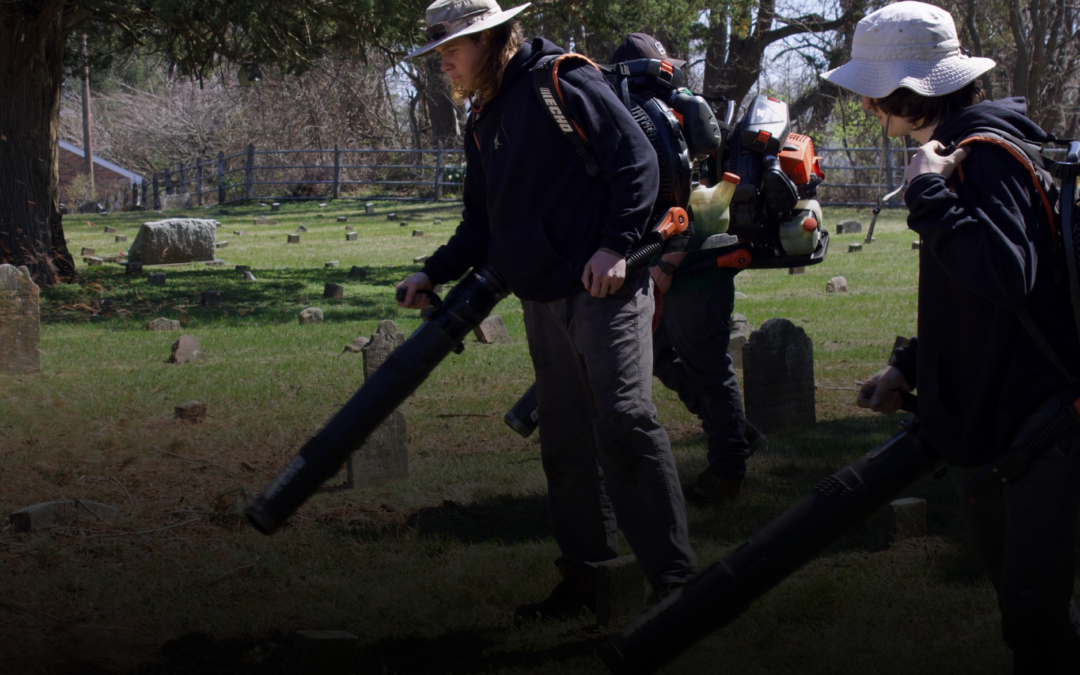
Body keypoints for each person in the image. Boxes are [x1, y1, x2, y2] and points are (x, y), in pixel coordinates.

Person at [398, 0, 697, 620]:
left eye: (452, 50)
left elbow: (637, 162)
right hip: (541, 297)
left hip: (606, 289)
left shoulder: (562, 78)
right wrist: (434, 270)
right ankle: (589, 577)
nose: (444, 64)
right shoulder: (481, 116)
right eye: (439, 55)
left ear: (489, 39)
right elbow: (481, 225)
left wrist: (616, 245)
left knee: (624, 422)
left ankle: (674, 581)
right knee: (564, 444)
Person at [826, 2, 1080, 671]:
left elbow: (1007, 274)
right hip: (1010, 424)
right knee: (1032, 624)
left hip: (1041, 429)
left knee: (1037, 630)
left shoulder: (980, 154)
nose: (868, 109)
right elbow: (971, 301)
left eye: (874, 95)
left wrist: (928, 199)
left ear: (907, 92)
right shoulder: (963, 148)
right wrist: (912, 366)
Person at [597, 32, 766, 506]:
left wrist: (666, 267)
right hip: (670, 258)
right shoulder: (672, 114)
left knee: (708, 367)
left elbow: (682, 204)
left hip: (692, 261)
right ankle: (735, 433)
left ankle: (728, 469)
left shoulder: (650, 121)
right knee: (659, 355)